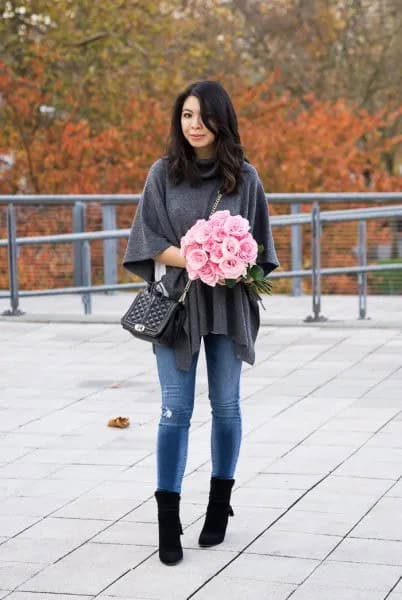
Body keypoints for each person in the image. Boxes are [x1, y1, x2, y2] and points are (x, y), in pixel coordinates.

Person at [123, 80, 279, 566]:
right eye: (186, 116)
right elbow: (148, 240)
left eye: (202, 117)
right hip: (178, 304)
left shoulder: (245, 177)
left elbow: (259, 250)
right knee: (174, 411)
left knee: (227, 406)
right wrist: (203, 256)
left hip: (229, 305)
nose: (194, 125)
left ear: (221, 121)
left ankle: (218, 505)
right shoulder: (162, 174)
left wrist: (233, 262)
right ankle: (168, 518)